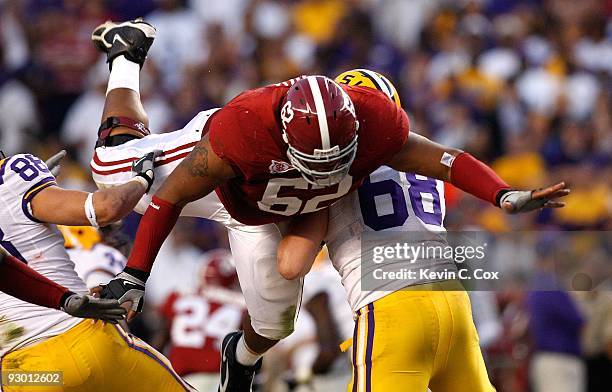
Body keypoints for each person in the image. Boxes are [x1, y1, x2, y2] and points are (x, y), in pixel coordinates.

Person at [90, 19, 568, 391]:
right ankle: (126, 58)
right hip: (229, 176)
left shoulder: (376, 130)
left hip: (282, 213)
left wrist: (502, 193)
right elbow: (172, 197)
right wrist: (135, 274)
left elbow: (441, 159)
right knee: (107, 175)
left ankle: (242, 359)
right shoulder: (241, 131)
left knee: (275, 319)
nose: (327, 167)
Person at [273, 69, 564, 391]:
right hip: (454, 305)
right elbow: (454, 162)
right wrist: (502, 193)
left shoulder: (334, 169)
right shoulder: (424, 161)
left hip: (391, 307)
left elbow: (292, 264)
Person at [0, 149, 195, 391]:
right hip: (82, 338)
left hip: (25, 374)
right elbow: (107, 208)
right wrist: (141, 180)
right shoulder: (11, 174)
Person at [154, 249, 245, 392]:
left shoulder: (179, 294)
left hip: (177, 377)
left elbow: (162, 336)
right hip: (218, 380)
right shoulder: (242, 306)